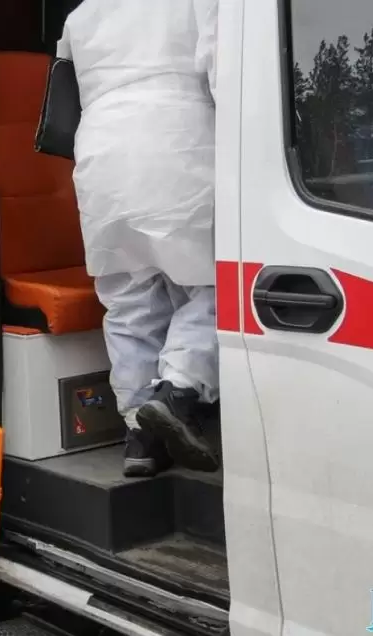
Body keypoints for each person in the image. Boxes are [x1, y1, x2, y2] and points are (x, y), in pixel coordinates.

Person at [57, 0, 220, 478]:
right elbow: (227, 73)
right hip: (179, 144)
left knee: (129, 302)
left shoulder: (79, 16)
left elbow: (65, 89)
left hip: (101, 161)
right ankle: (178, 392)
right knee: (217, 285)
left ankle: (140, 438)